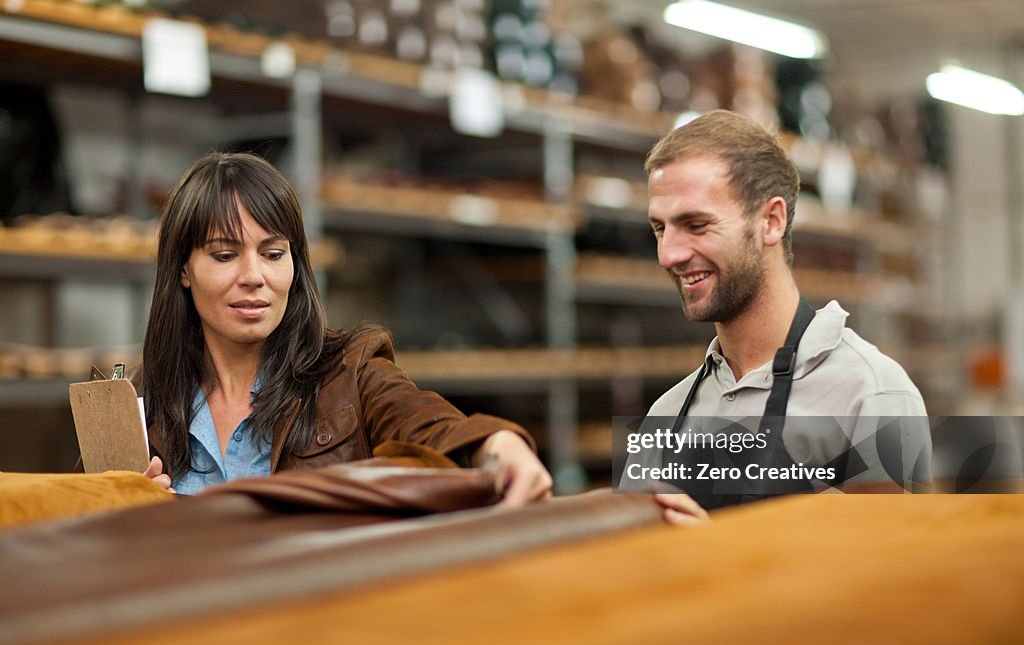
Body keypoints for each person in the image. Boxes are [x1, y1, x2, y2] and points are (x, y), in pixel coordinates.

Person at [139, 151, 552, 505]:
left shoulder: (351, 374)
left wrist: (497, 444)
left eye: (273, 253)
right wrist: (120, 503)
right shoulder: (145, 399)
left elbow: (429, 424)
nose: (254, 276)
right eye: (225, 255)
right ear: (183, 270)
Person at [637, 110, 930, 525]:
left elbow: (900, 579)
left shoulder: (871, 395)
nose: (669, 254)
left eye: (696, 225)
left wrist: (722, 556)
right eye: (660, 229)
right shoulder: (667, 413)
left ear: (771, 222)